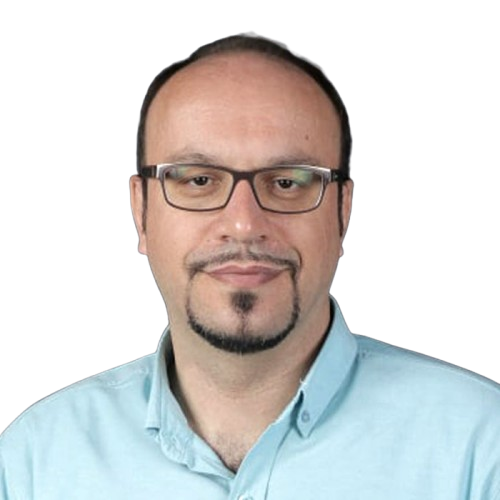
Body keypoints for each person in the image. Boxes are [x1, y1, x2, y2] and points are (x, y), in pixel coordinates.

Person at [1, 32, 499, 500]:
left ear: (344, 211)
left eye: (288, 182)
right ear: (140, 211)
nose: (243, 225)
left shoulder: (481, 447)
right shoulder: (32, 461)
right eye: (198, 180)